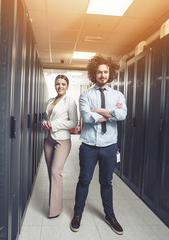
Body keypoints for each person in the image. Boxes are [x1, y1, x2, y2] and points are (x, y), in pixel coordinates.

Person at [70, 55, 127, 235]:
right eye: (99, 72)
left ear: (109, 74)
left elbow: (123, 115)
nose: (102, 75)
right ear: (93, 73)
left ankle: (109, 215)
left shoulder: (118, 95)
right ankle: (77, 213)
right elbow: (86, 118)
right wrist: (112, 113)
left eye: (105, 72)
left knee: (107, 182)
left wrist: (98, 111)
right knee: (84, 180)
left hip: (109, 145)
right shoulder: (85, 95)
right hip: (89, 146)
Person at [41, 74, 78, 218]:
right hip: (49, 139)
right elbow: (47, 118)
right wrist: (45, 123)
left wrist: (54, 124)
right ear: (55, 85)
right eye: (58, 84)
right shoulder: (50, 101)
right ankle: (54, 204)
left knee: (56, 172)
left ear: (67, 86)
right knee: (51, 173)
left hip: (62, 141)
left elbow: (73, 123)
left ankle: (54, 211)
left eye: (63, 84)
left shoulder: (70, 101)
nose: (60, 86)